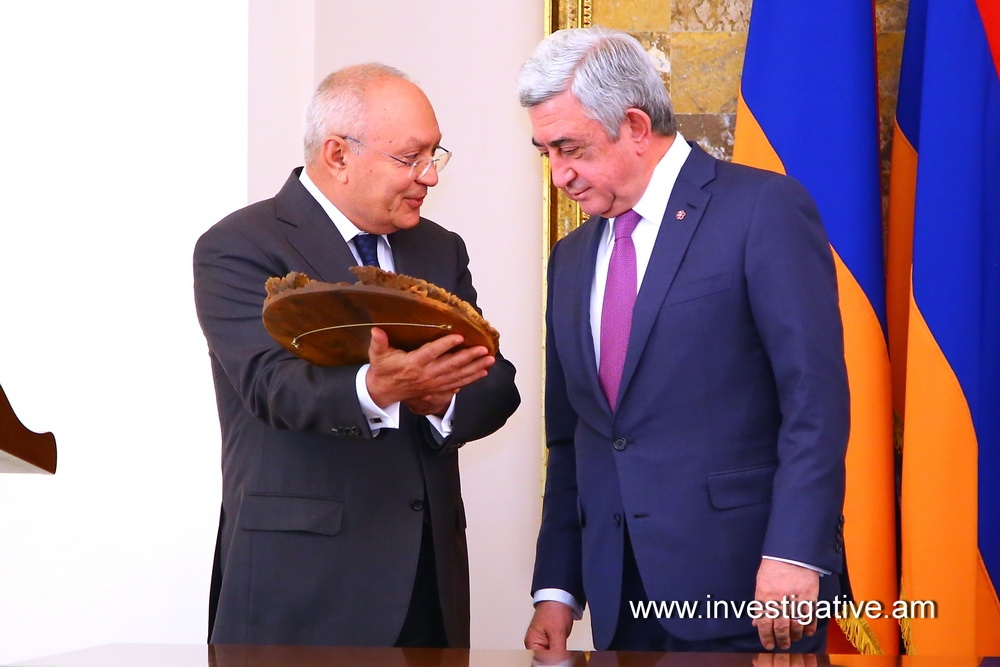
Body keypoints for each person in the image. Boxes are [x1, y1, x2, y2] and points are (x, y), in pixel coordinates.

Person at [518, 27, 849, 654]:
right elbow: (573, 435)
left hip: (751, 590)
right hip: (621, 598)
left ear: (635, 126)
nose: (560, 175)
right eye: (546, 153)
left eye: (571, 148)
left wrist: (794, 551)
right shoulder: (572, 256)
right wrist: (557, 587)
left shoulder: (763, 210)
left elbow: (815, 403)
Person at [193, 63, 520, 648]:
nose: (429, 176)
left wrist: (440, 397)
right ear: (338, 154)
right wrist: (377, 388)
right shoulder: (239, 244)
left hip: (427, 582)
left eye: (435, 155)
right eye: (410, 158)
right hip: (302, 585)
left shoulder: (440, 248)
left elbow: (495, 382)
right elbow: (271, 386)